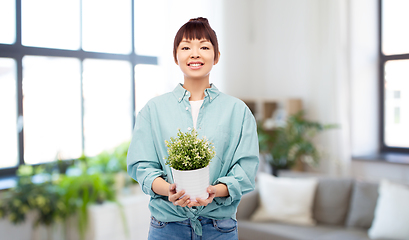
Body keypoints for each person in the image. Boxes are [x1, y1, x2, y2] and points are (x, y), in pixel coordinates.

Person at [127, 17, 259, 240]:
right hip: (167, 227)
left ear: (216, 56)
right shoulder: (153, 110)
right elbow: (142, 166)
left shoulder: (238, 111)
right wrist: (168, 190)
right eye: (186, 47)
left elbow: (245, 171)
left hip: (220, 229)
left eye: (204, 47)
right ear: (176, 56)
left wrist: (214, 191)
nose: (195, 53)